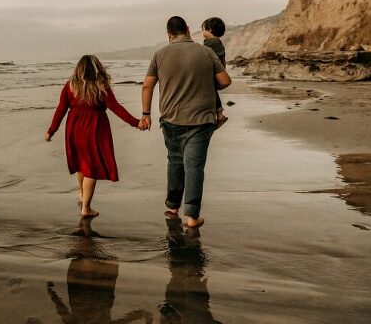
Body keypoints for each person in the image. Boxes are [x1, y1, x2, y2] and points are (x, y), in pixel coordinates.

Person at [140, 16, 231, 228]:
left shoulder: (159, 54)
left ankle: (172, 206)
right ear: (188, 30)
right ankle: (192, 217)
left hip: (171, 118)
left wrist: (146, 114)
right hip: (201, 119)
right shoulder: (206, 52)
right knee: (195, 166)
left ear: (169, 35)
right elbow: (225, 81)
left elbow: (147, 86)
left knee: (175, 160)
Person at [45, 55, 141, 218]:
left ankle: (82, 194)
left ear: (79, 69)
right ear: (98, 69)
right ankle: (86, 208)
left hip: (74, 128)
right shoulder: (101, 86)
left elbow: (61, 109)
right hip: (94, 129)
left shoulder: (70, 86)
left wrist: (51, 131)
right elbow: (116, 108)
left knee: (81, 162)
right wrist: (136, 122)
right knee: (91, 168)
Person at [201, 17, 228, 129]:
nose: (203, 32)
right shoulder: (215, 42)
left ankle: (220, 114)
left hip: (214, 73)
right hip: (217, 72)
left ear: (210, 30)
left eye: (203, 29)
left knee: (211, 90)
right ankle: (219, 114)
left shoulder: (213, 42)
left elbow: (207, 58)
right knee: (212, 92)